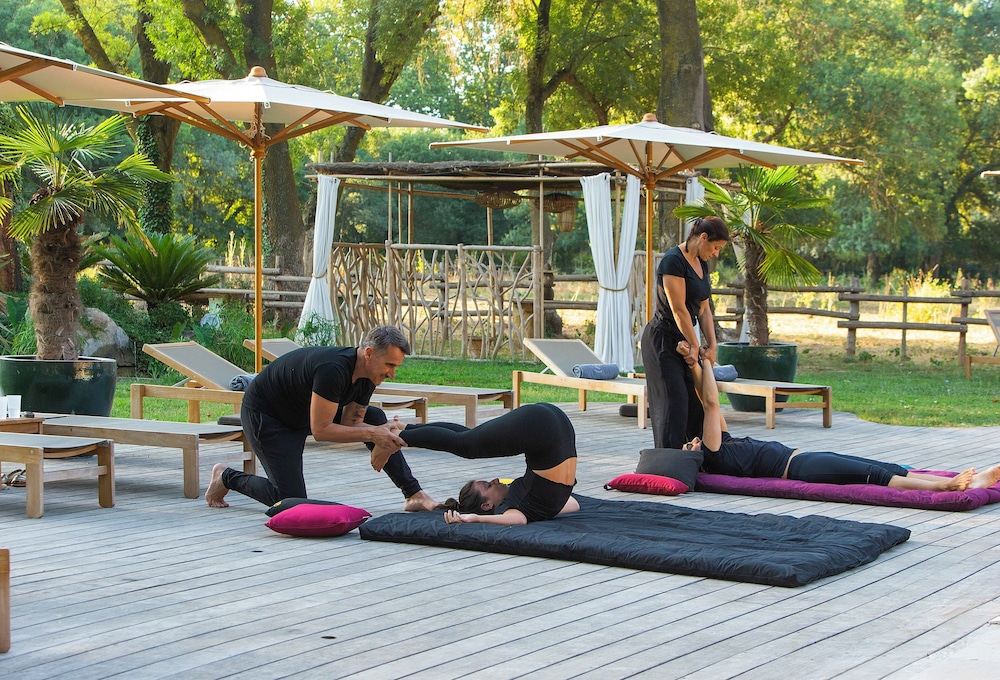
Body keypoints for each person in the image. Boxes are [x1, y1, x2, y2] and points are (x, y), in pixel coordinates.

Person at [680, 341, 1000, 491]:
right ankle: (945, 488)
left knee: (883, 467)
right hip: (799, 468)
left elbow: (707, 400)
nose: (691, 442)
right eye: (688, 448)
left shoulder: (723, 443)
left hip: (803, 457)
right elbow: (712, 404)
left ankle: (965, 481)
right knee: (872, 475)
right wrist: (708, 361)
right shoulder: (714, 453)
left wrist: (694, 363)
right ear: (698, 457)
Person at [205, 325, 438, 511]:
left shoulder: (368, 375)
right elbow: (322, 431)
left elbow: (351, 423)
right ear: (368, 353)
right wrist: (373, 434)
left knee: (375, 417)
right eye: (389, 365)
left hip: (302, 412)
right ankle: (226, 476)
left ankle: (413, 494)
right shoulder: (333, 369)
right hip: (267, 415)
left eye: (396, 367)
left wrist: (383, 439)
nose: (392, 373)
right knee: (289, 500)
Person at [372, 402, 579, 524]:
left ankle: (403, 430)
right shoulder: (520, 505)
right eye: (488, 485)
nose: (496, 480)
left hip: (553, 427)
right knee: (466, 444)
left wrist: (476, 517)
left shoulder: (530, 506)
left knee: (468, 439)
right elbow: (519, 519)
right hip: (545, 426)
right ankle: (398, 435)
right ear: (487, 505)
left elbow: (566, 505)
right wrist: (475, 518)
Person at [642, 216, 730, 449]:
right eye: (715, 247)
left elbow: (704, 310)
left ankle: (699, 457)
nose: (716, 254)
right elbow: (679, 310)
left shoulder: (702, 263)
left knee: (696, 404)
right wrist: (695, 346)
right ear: (703, 238)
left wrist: (712, 345)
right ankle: (668, 461)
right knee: (675, 407)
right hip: (663, 342)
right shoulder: (673, 261)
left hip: (685, 340)